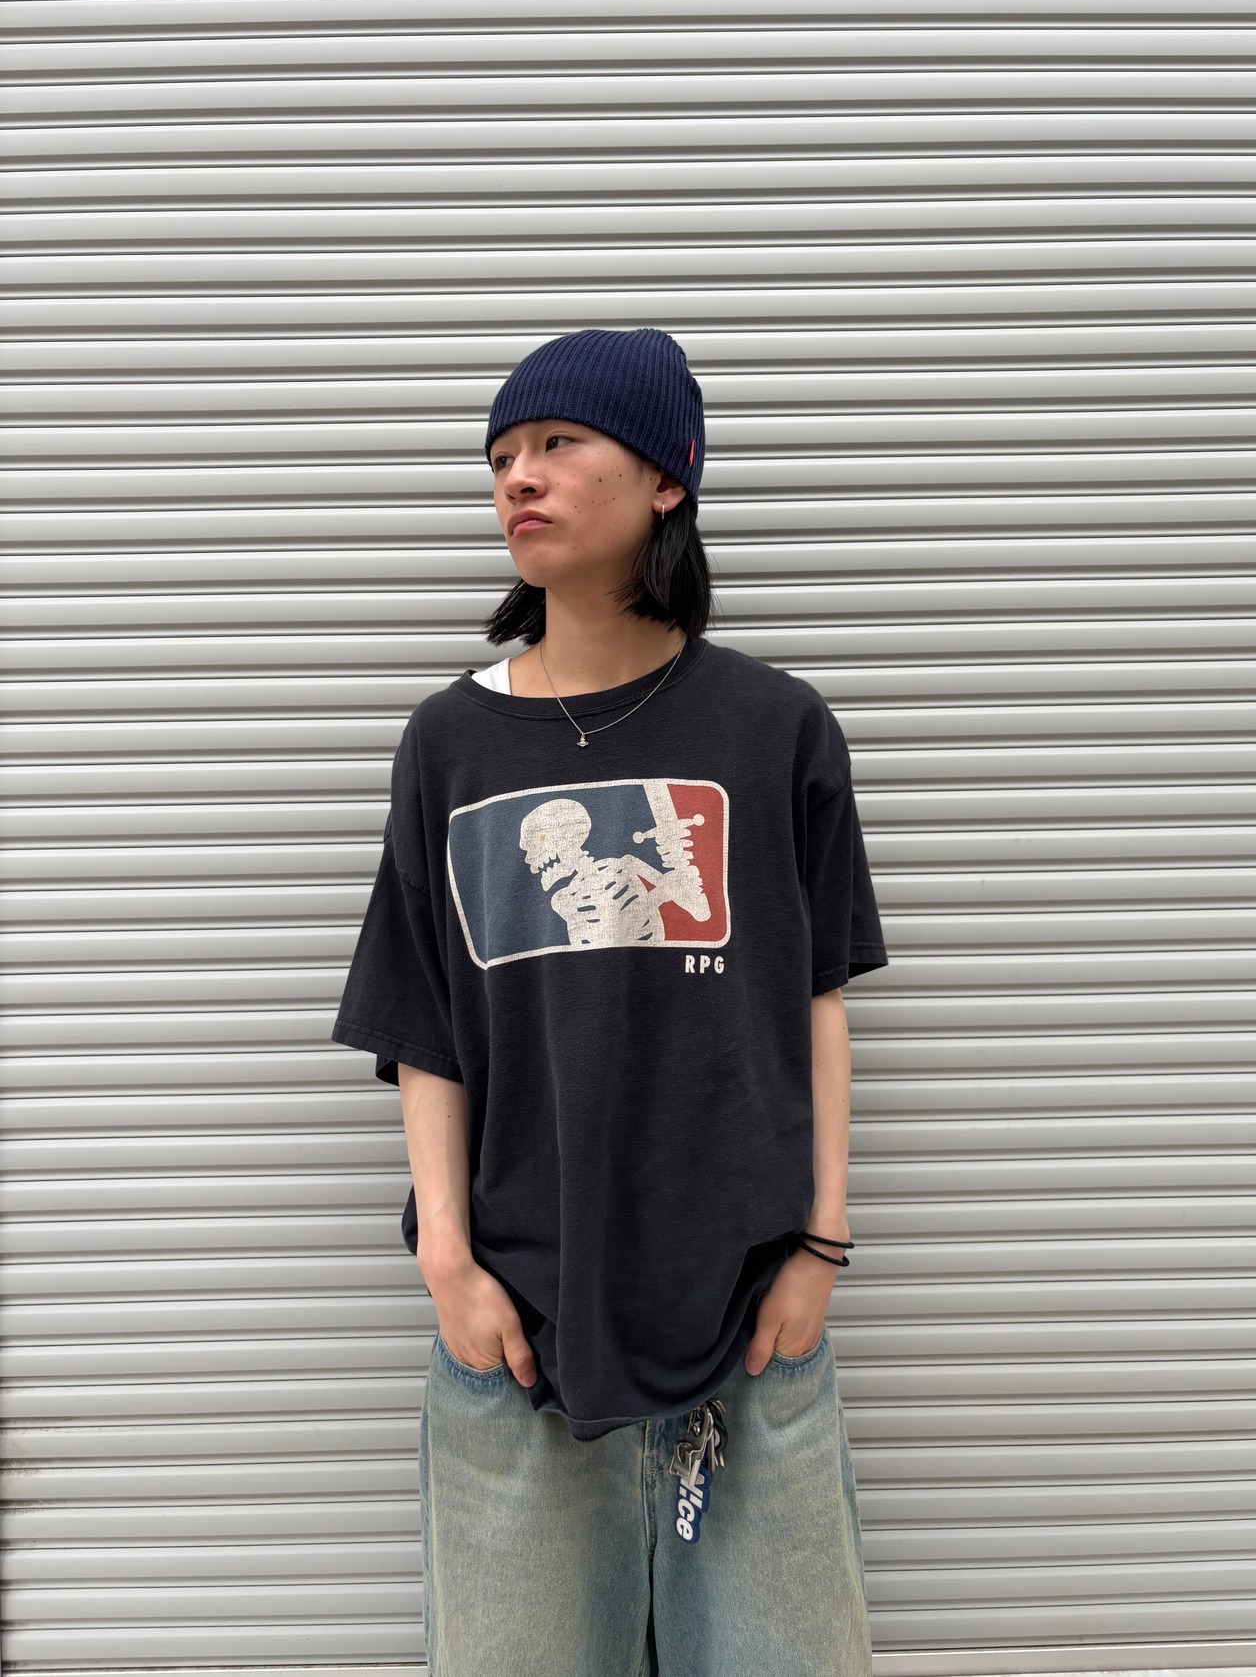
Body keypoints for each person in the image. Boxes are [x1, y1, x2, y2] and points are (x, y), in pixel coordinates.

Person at [331, 327, 888, 1675]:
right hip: (517, 1337)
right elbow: (424, 1028)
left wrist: (820, 1246)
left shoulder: (773, 727)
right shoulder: (450, 742)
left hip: (747, 1326)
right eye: (501, 458)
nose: (517, 478)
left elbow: (817, 998)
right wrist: (449, 1263)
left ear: (667, 478)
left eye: (558, 444)